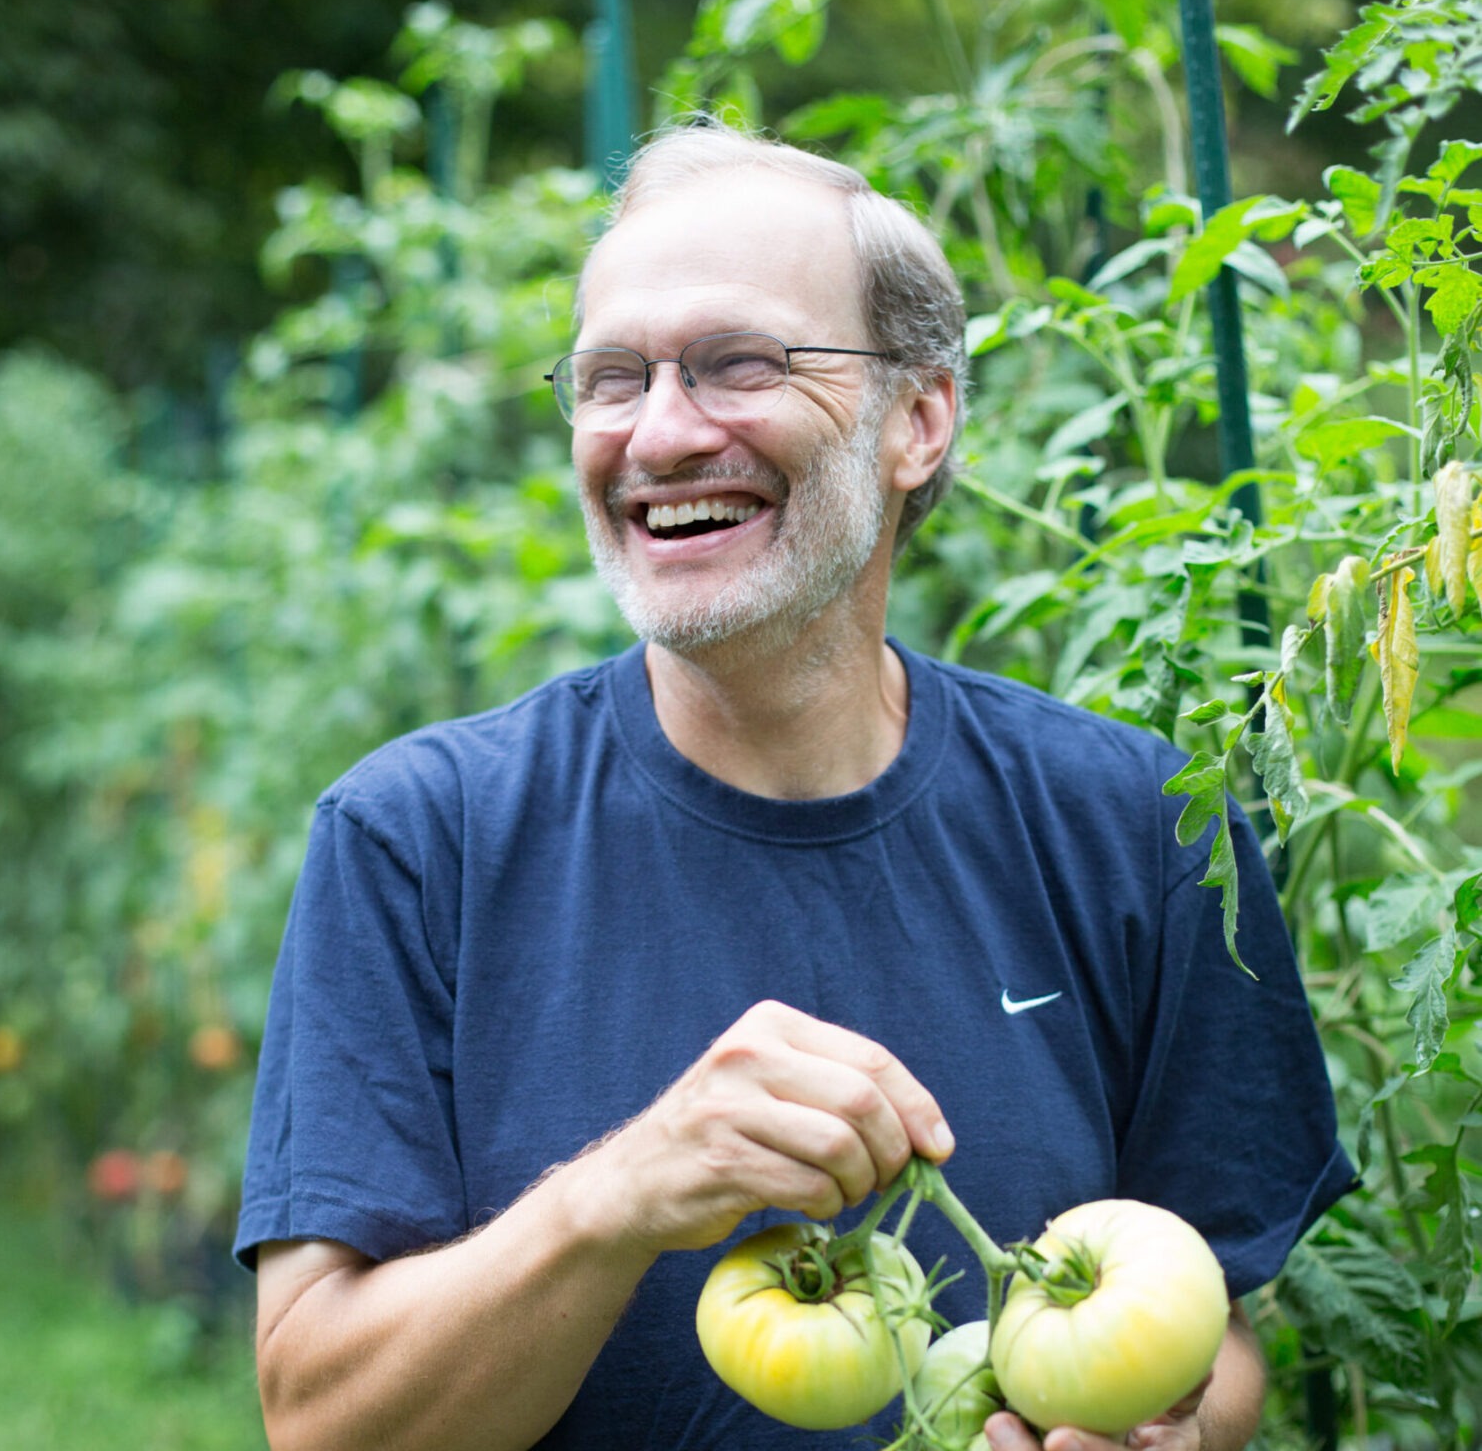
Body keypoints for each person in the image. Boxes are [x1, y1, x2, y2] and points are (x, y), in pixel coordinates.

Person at [234, 119, 1355, 1451]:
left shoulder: (1136, 827)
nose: (656, 433)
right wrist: (619, 1196)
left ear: (918, 418)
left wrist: (1165, 1430)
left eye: (735, 364)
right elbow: (322, 1420)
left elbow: (1214, 1337)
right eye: (609, 379)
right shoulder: (421, 841)